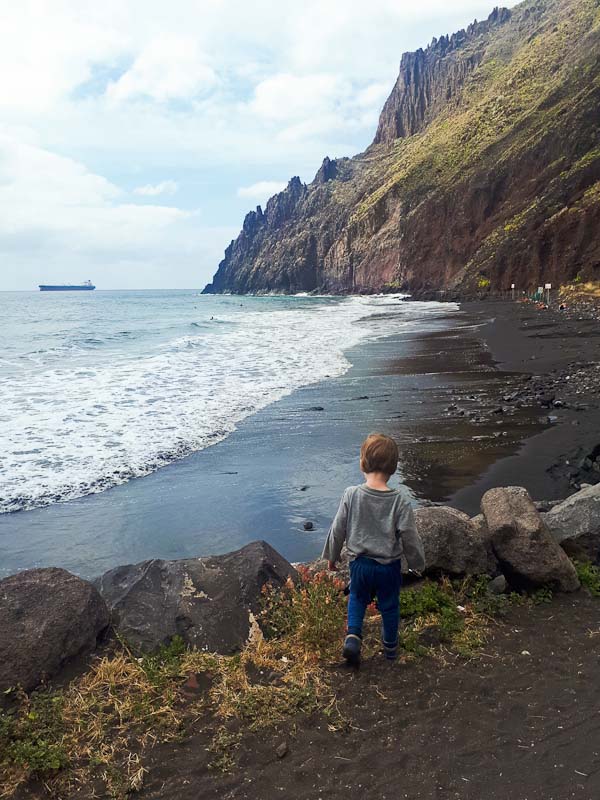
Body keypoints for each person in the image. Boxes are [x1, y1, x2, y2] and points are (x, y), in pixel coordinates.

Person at [322, 433, 425, 665]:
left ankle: (353, 637)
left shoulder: (351, 494)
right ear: (394, 467)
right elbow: (410, 535)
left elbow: (337, 528)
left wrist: (331, 555)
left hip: (360, 564)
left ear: (362, 463)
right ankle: (390, 650)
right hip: (388, 567)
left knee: (357, 598)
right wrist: (418, 563)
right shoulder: (400, 500)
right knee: (389, 605)